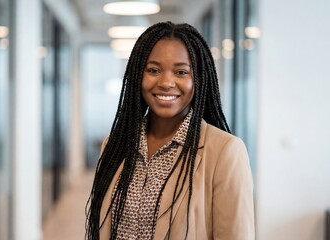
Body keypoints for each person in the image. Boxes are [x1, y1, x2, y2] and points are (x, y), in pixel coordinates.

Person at [86, 21, 254, 240]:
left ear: (199, 79)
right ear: (138, 75)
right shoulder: (116, 144)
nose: (166, 82)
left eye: (181, 72)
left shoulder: (225, 151)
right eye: (153, 70)